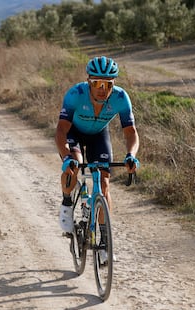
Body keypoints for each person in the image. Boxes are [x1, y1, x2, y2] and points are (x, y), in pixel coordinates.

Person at [55, 56, 140, 260]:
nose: (102, 88)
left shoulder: (120, 98)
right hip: (74, 133)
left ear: (114, 84)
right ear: (89, 82)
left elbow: (131, 133)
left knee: (103, 182)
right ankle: (67, 203)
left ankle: (104, 242)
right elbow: (61, 131)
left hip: (99, 135)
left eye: (107, 84)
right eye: (96, 83)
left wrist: (131, 156)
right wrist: (66, 156)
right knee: (74, 165)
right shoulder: (76, 94)